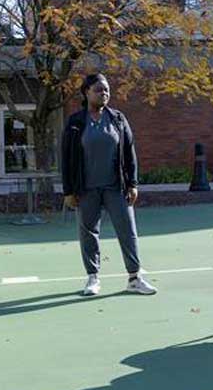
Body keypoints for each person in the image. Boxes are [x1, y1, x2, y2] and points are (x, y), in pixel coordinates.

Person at [61, 73, 157, 297]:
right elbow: (66, 158)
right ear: (87, 93)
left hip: (116, 187)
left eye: (106, 90)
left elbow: (129, 153)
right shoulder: (76, 122)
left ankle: (134, 278)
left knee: (128, 231)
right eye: (98, 90)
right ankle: (93, 278)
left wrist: (133, 183)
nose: (104, 93)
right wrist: (68, 191)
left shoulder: (118, 119)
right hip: (86, 189)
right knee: (88, 233)